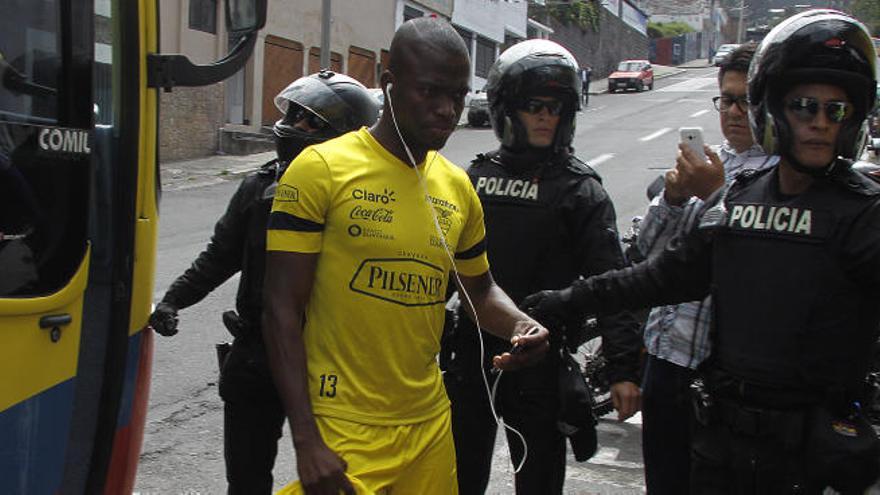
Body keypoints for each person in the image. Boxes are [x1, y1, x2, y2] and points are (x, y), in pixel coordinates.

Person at [523, 9, 880, 493]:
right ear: (774, 107)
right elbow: (660, 276)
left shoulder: (864, 215)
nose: (818, 122)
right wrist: (562, 301)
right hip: (723, 444)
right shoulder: (743, 197)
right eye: (803, 106)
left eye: (834, 111)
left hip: (813, 459)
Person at [262, 17, 550, 495]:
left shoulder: (458, 188)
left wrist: (520, 323)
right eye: (431, 92)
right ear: (389, 84)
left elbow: (479, 290)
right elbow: (280, 310)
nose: (447, 110)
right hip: (343, 427)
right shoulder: (320, 171)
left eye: (457, 96)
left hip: (429, 427)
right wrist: (306, 439)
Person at [147, 70, 380, 494]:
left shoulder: (365, 200)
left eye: (312, 122)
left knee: (342, 479)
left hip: (332, 364)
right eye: (295, 115)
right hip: (259, 355)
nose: (296, 126)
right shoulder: (258, 187)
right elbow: (220, 255)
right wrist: (173, 301)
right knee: (247, 480)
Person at [441, 39, 642, 495]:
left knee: (539, 479)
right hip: (470, 355)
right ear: (508, 109)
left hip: (541, 359)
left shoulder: (580, 190)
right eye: (534, 106)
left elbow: (611, 282)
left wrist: (624, 368)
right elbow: (438, 274)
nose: (545, 117)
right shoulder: (471, 179)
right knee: (458, 475)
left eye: (555, 107)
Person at [634, 42, 778, 494]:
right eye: (726, 99)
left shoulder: (785, 175)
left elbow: (755, 267)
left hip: (723, 377)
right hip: (666, 360)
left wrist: (717, 193)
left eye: (746, 100)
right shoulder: (704, 161)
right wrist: (675, 198)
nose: (733, 112)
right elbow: (646, 248)